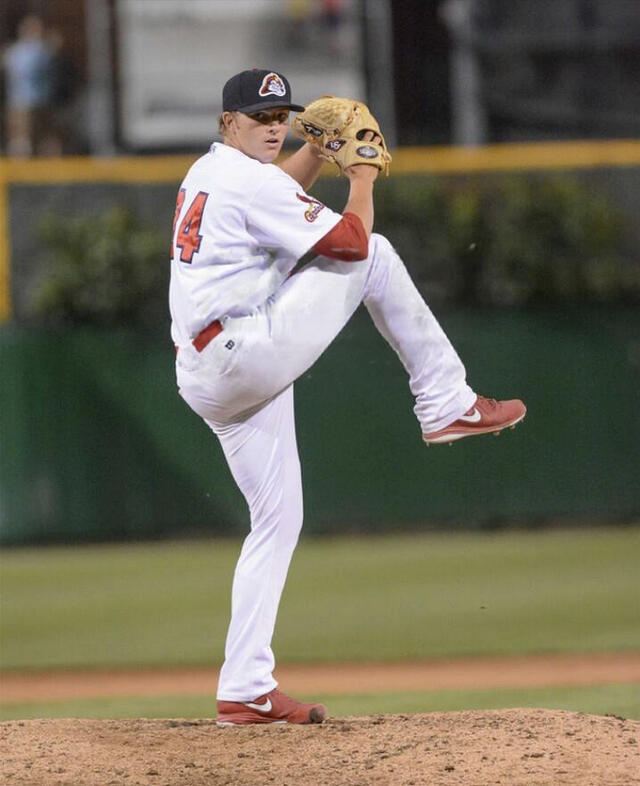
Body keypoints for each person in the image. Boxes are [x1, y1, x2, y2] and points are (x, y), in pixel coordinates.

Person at [169, 68, 526, 726]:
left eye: (281, 115)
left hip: (210, 371)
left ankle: (245, 687)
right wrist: (359, 172)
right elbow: (349, 242)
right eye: (258, 117)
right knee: (377, 253)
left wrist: (315, 153)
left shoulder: (210, 172)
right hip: (241, 353)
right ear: (227, 124)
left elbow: (272, 196)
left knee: (277, 523)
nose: (274, 126)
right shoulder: (246, 179)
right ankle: (446, 403)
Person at [2, 15, 60, 157]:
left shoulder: (43, 50)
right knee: (22, 137)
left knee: (45, 136)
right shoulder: (17, 52)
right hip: (21, 101)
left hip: (42, 101)